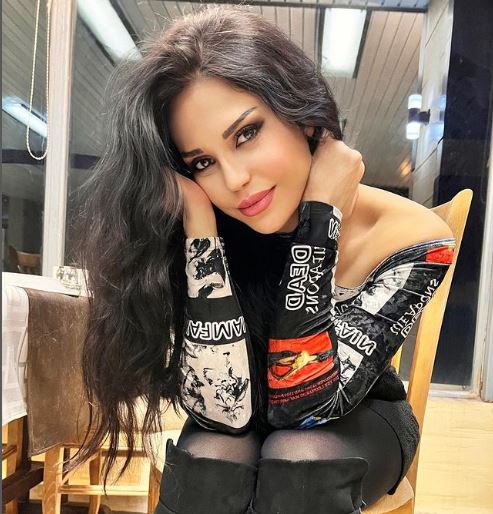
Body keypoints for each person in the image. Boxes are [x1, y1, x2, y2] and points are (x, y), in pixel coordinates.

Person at [69, 5, 456, 514]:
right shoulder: (213, 221)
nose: (234, 181)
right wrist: (200, 228)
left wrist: (320, 223)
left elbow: (306, 407)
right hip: (244, 414)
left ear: (303, 114)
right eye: (202, 162)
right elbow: (223, 413)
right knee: (210, 461)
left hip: (358, 415)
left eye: (247, 134)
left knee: (300, 462)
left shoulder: (415, 236)